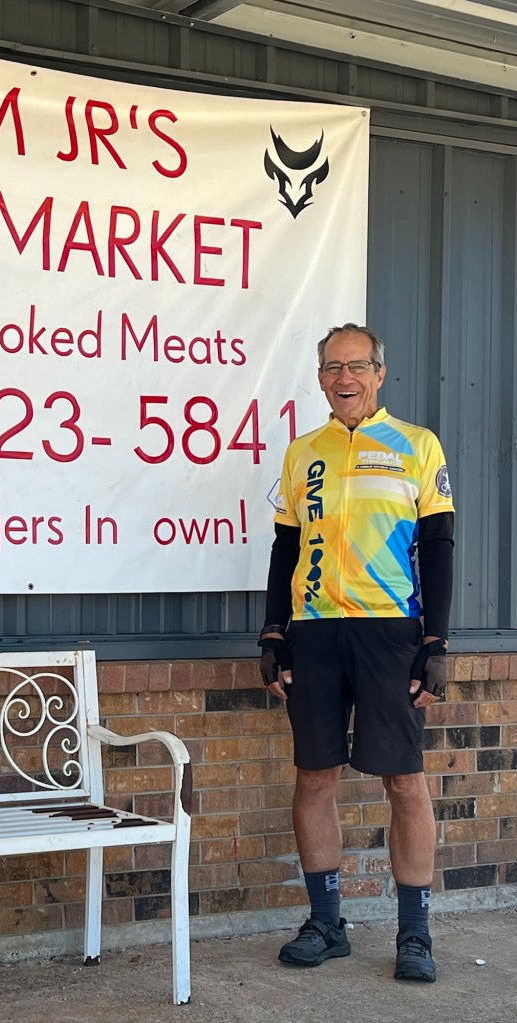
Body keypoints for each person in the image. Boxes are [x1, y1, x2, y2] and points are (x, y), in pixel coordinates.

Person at [258, 323, 454, 983]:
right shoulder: (302, 452)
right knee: (314, 776)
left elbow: (439, 546)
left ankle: (415, 933)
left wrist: (436, 642)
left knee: (404, 780)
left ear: (380, 372)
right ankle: (326, 924)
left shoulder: (417, 445)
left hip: (390, 630)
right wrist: (273, 631)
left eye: (358, 365)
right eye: (333, 367)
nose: (346, 378)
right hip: (314, 631)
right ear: (320, 378)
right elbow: (286, 548)